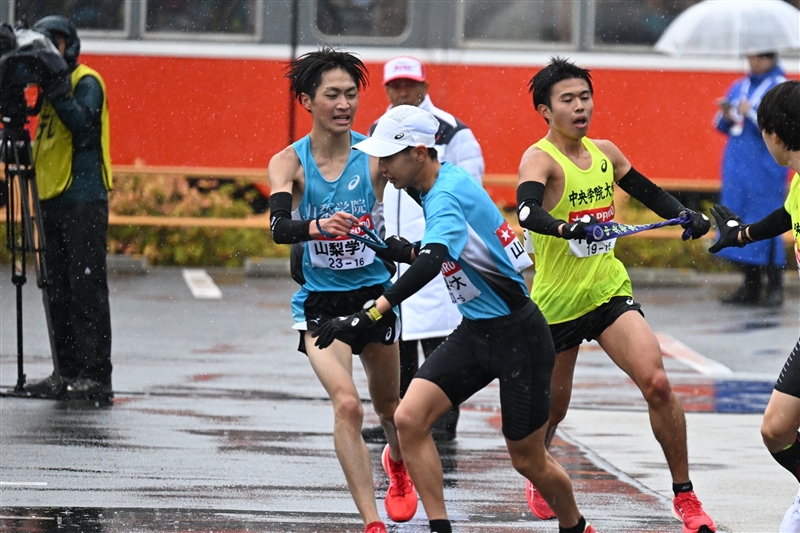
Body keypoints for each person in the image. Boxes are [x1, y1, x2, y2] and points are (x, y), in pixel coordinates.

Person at [314, 104, 598, 533]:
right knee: (409, 420)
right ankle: (440, 527)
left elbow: (433, 262)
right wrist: (403, 250)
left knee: (528, 459)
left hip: (519, 334)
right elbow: (452, 251)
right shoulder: (432, 185)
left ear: (420, 152)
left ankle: (576, 526)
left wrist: (370, 313)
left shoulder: (445, 193)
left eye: (389, 157)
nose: (382, 167)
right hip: (476, 330)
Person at [516, 57, 715, 533]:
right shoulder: (539, 159)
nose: (580, 106)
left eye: (585, 97)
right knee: (553, 409)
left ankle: (685, 497)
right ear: (546, 110)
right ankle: (539, 468)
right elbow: (526, 212)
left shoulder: (605, 152)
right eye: (568, 100)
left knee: (658, 384)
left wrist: (687, 215)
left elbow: (648, 190)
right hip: (558, 304)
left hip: (608, 292)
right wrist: (568, 227)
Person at [266, 48, 416, 533]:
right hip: (319, 304)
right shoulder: (288, 162)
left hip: (375, 297)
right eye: (332, 94)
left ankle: (397, 464)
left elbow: (428, 190)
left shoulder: (372, 157)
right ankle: (372, 522)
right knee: (348, 405)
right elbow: (278, 227)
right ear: (307, 100)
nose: (344, 104)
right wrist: (317, 227)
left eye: (351, 94)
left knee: (391, 408)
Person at [361, 55, 485, 444]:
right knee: (399, 338)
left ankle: (442, 422)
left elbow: (470, 188)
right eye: (394, 85)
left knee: (442, 339)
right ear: (386, 90)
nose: (402, 91)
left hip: (438, 247)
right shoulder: (378, 128)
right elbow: (376, 192)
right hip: (399, 253)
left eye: (409, 85)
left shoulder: (453, 130)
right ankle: (400, 419)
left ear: (424, 87)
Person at [708, 80, 800, 533]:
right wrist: (740, 234)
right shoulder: (799, 180)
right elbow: (788, 215)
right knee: (776, 429)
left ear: (775, 137)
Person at [22, 15, 113, 401]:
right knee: (56, 288)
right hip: (52, 198)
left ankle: (94, 376)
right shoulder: (46, 92)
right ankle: (66, 370)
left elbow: (83, 126)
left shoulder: (85, 81)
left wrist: (58, 89)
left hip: (83, 199)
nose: (48, 53)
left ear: (69, 46)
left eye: (53, 44)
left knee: (85, 287)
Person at [714, 52, 788, 307]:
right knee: (740, 222)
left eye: (760, 57)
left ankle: (775, 287)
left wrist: (751, 113)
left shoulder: (779, 88)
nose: (754, 63)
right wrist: (726, 115)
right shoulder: (739, 86)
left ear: (771, 58)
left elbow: (781, 126)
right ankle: (750, 286)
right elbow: (722, 126)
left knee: (768, 224)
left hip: (766, 169)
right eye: (751, 57)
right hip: (738, 168)